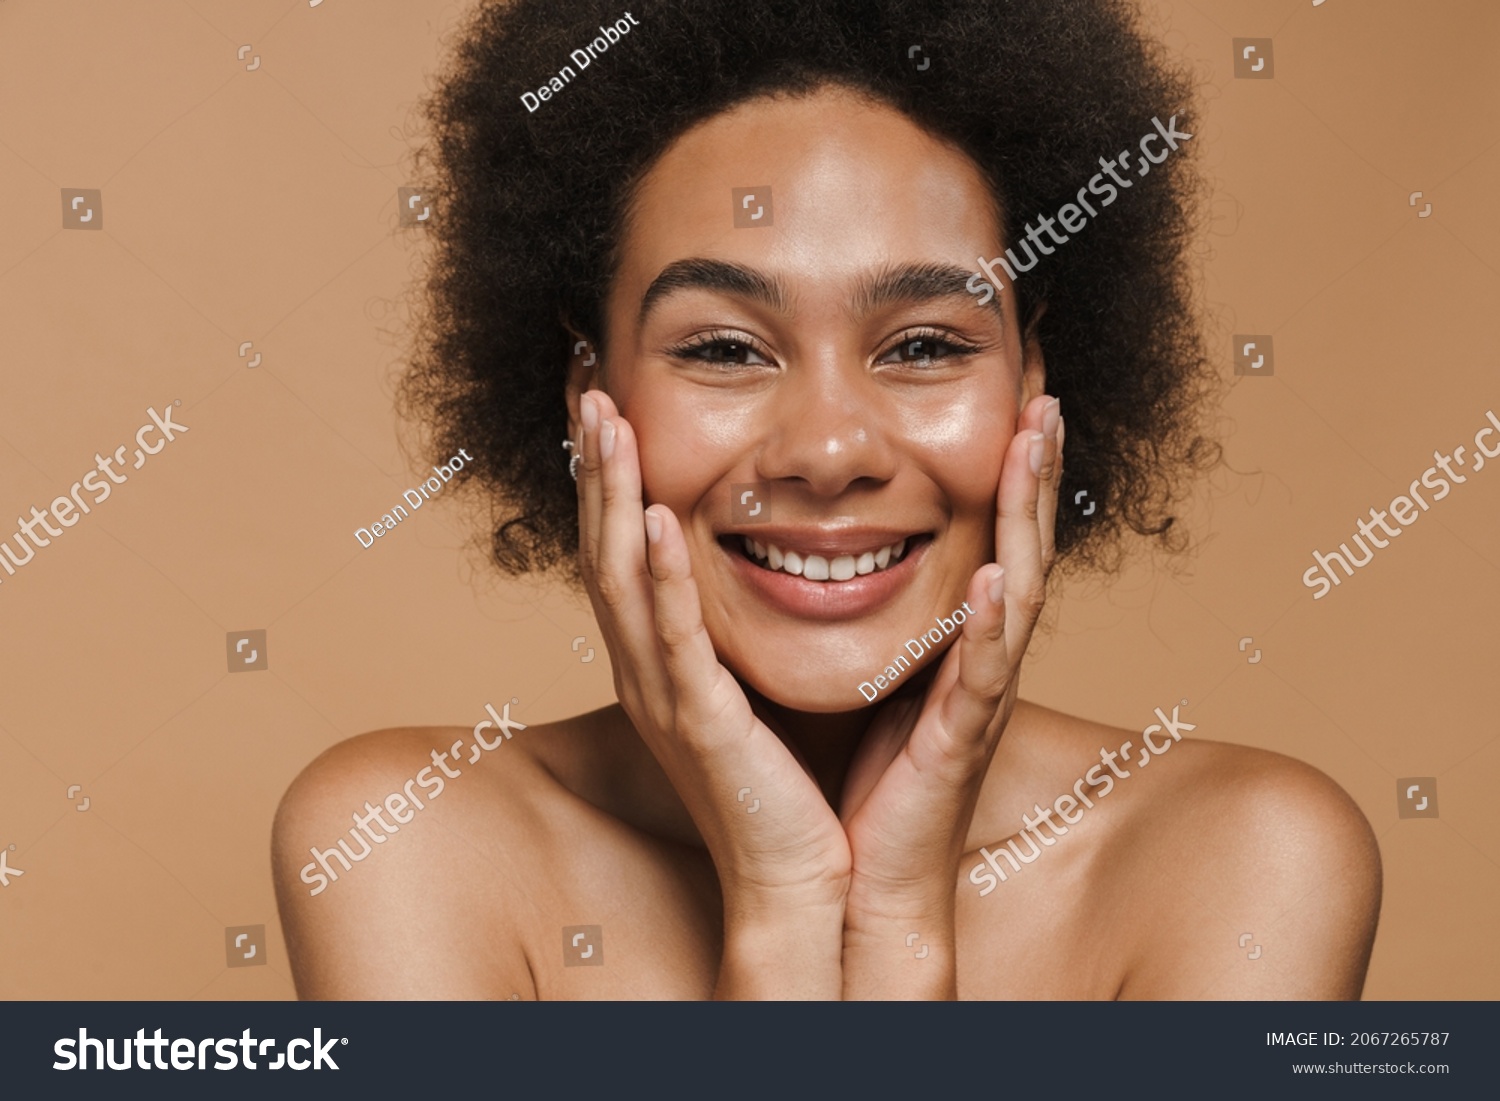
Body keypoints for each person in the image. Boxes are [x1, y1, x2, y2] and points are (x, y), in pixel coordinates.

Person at [274, 0, 1380, 999]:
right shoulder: (402, 838)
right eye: (722, 347)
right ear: (589, 395)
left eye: (926, 345)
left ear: (1033, 389)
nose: (828, 449)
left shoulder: (1245, 857)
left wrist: (898, 922)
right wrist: (783, 903)